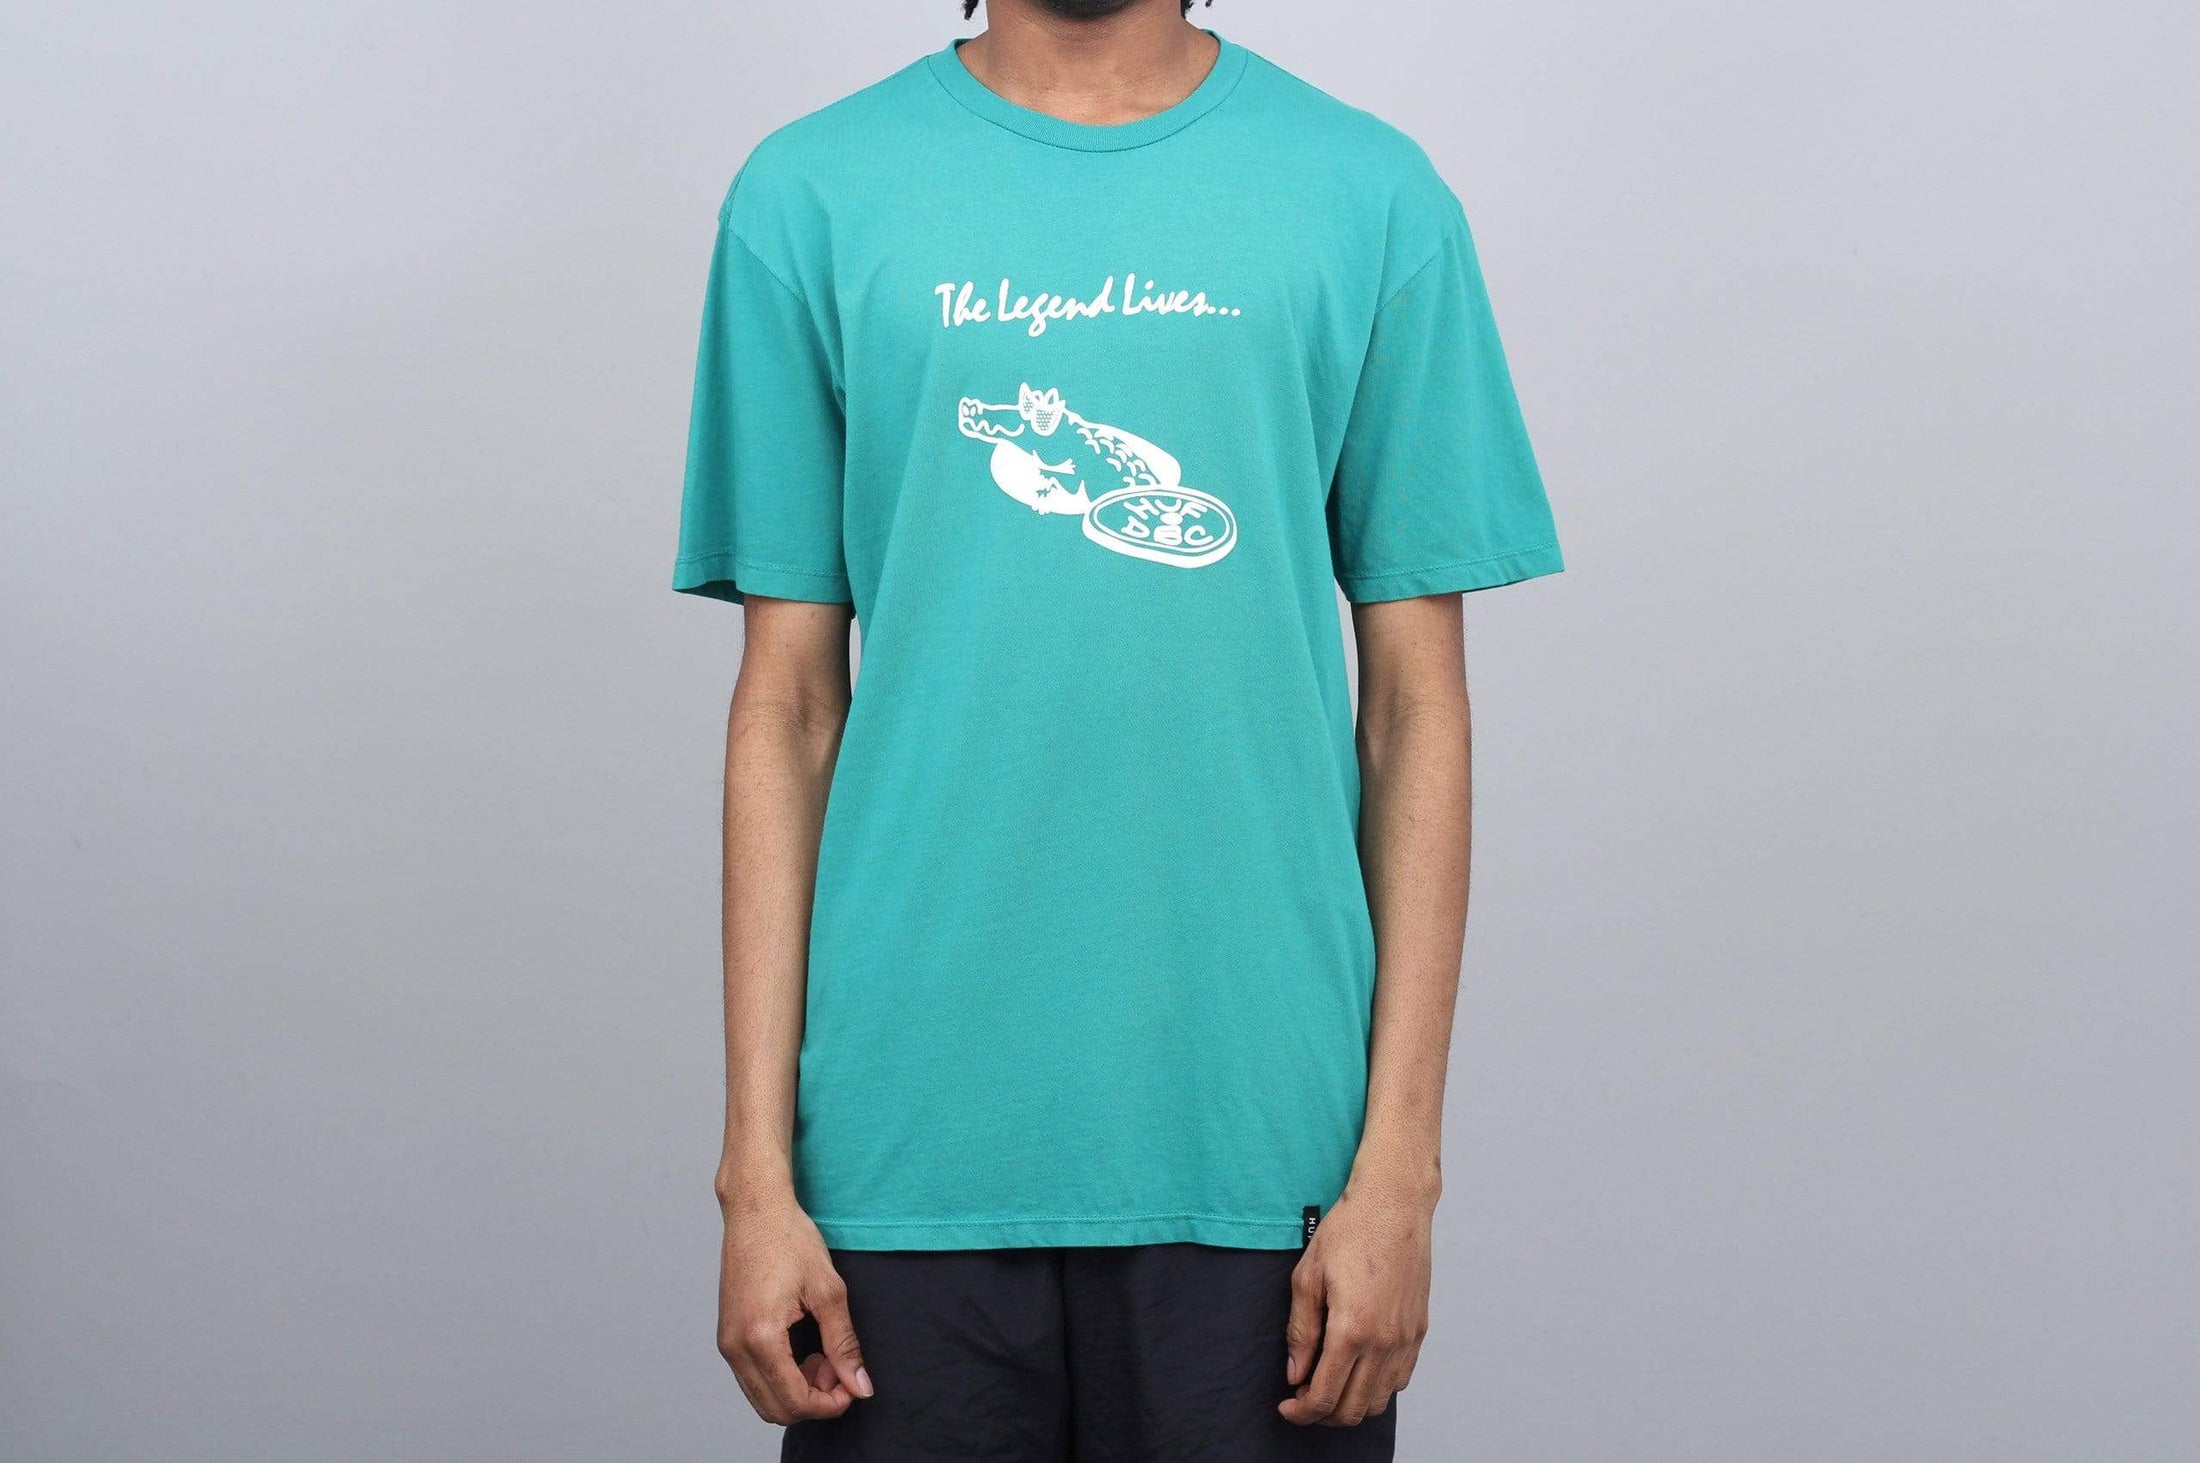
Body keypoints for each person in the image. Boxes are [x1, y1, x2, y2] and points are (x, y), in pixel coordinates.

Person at [672, 0, 1562, 1455]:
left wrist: (1400, 1174)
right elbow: (788, 710)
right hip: (900, 1151)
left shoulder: (1368, 190)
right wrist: (754, 1180)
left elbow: (1414, 710)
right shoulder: (810, 192)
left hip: (1268, 1152)